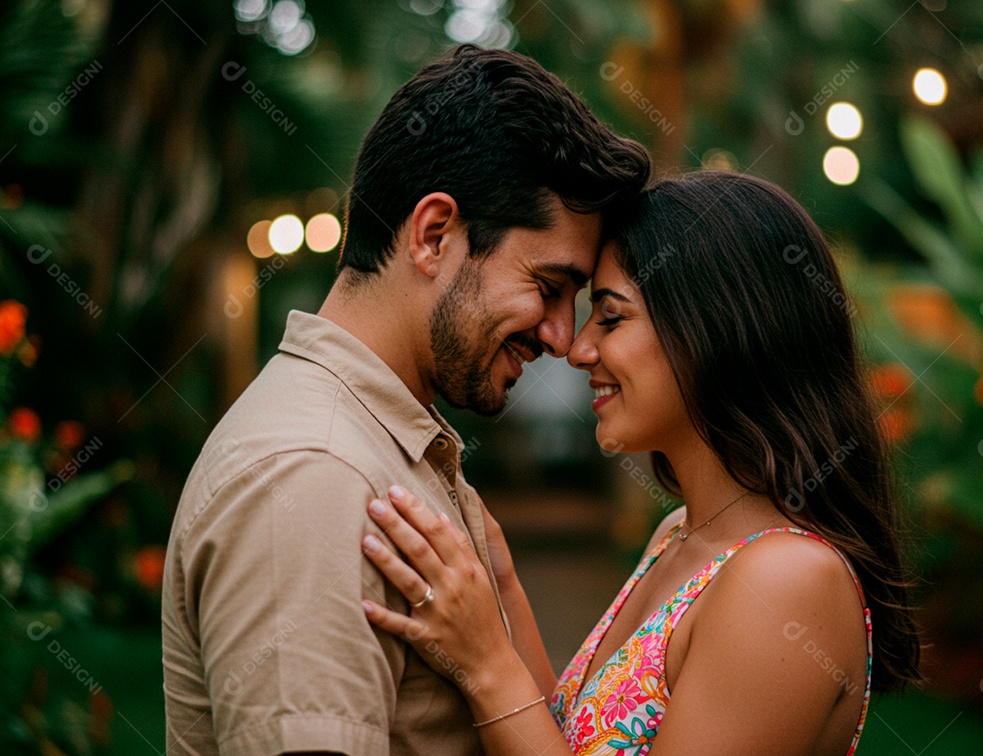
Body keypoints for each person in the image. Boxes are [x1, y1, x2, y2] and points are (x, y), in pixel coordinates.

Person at [161, 44, 649, 756]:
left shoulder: (372, 444)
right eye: (548, 287)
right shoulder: (314, 475)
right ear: (432, 235)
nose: (560, 338)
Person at [360, 171, 923, 755]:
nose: (578, 350)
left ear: (713, 329)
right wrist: (499, 580)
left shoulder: (785, 582)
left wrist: (485, 664)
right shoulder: (676, 536)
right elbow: (576, 740)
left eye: (611, 316)